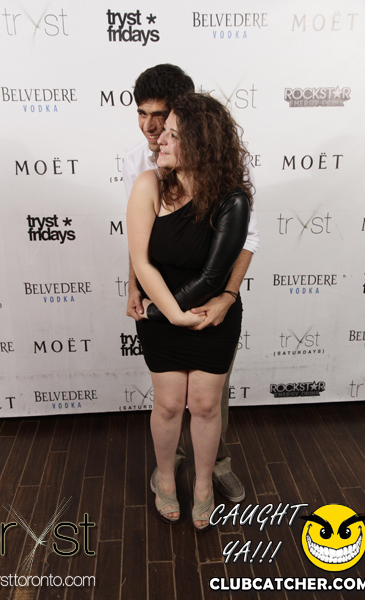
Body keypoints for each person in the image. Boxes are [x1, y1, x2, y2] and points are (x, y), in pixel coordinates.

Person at [123, 64, 260, 504]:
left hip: (211, 304)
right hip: (164, 299)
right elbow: (142, 242)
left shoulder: (228, 176)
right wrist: (137, 288)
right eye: (142, 114)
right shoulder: (139, 165)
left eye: (162, 118)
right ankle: (168, 471)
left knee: (208, 402)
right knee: (168, 403)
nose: (152, 129)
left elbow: (245, 242)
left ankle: (214, 471)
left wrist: (227, 296)